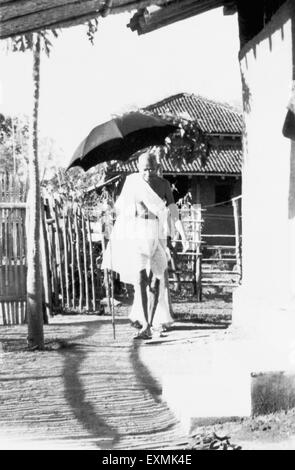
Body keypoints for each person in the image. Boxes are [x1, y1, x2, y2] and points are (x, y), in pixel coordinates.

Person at [102, 151, 188, 339]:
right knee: (141, 279)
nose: (148, 172)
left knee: (157, 278)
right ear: (138, 168)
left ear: (157, 168)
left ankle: (149, 324)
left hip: (157, 232)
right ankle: (144, 324)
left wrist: (183, 233)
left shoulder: (164, 184)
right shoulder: (133, 183)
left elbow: (173, 208)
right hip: (138, 232)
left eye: (151, 168)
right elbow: (123, 210)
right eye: (144, 169)